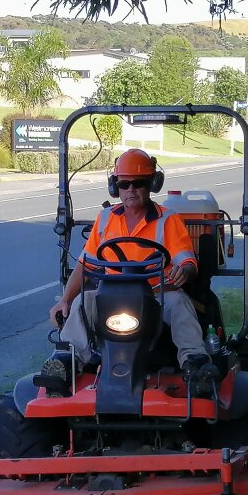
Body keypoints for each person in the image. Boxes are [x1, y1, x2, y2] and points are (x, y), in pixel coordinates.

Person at [48, 148, 219, 393]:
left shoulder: (168, 220)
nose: (131, 189)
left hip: (157, 295)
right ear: (115, 186)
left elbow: (187, 261)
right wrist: (65, 299)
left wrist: (185, 271)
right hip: (111, 297)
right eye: (124, 183)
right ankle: (67, 361)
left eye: (138, 183)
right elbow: (86, 264)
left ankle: (195, 362)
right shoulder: (105, 219)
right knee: (82, 302)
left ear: (151, 185)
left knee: (180, 303)